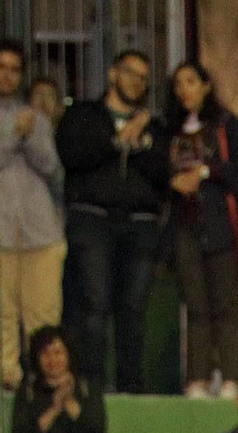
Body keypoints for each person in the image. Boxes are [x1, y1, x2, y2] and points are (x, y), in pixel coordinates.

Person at [56, 48, 166, 390]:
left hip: (141, 224)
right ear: (112, 74)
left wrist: (142, 143)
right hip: (92, 221)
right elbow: (73, 154)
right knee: (94, 303)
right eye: (130, 73)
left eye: (143, 77)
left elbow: (165, 171)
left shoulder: (155, 126)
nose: (137, 82)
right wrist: (117, 140)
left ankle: (130, 390)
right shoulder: (84, 115)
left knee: (133, 310)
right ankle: (92, 386)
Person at [158, 60, 238, 398]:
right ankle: (197, 378)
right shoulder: (169, 129)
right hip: (184, 229)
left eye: (191, 82)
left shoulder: (229, 126)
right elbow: (156, 174)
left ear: (206, 86)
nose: (185, 90)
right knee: (196, 307)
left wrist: (204, 172)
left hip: (222, 228)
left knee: (226, 306)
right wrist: (174, 182)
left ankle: (231, 377)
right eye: (179, 84)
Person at [0, 38, 64, 392]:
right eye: (2, 68)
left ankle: (45, 387)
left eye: (13, 69)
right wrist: (13, 134)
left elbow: (54, 171)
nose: (7, 76)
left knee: (43, 321)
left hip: (41, 236)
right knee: (2, 321)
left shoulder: (35, 116)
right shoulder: (19, 122)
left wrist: (32, 134)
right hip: (1, 238)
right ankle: (7, 387)